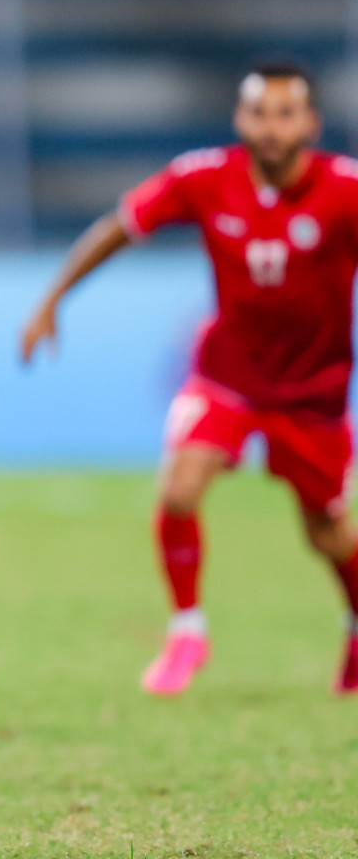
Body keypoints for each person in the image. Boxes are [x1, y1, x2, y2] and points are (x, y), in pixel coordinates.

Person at [21, 60, 358, 697]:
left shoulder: (344, 191)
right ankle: (186, 632)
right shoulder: (206, 177)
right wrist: (52, 298)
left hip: (314, 391)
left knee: (327, 530)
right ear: (240, 118)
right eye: (259, 113)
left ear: (310, 123)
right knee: (180, 488)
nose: (271, 128)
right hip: (228, 376)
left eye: (286, 114)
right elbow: (121, 226)